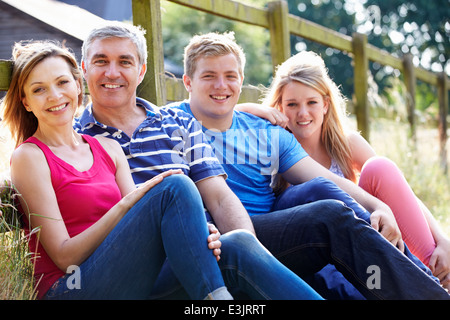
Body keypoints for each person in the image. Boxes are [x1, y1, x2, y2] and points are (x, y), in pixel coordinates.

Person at [0, 40, 323, 300]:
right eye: (39, 89)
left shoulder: (106, 149)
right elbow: (65, 258)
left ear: (77, 85)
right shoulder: (30, 156)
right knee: (173, 185)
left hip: (129, 277)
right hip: (75, 288)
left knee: (234, 244)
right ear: (26, 102)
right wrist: (125, 205)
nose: (55, 96)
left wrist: (196, 232)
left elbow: (147, 225)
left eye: (61, 83)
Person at [168, 31, 450, 299]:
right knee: (327, 218)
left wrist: (378, 206)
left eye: (230, 76)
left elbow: (324, 179)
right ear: (188, 82)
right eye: (209, 76)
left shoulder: (267, 132)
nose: (221, 85)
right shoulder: (169, 124)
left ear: (241, 80)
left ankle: (427, 287)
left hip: (275, 233)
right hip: (216, 240)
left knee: (321, 193)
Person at [238, 50, 450, 290]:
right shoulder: (275, 146)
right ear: (279, 107)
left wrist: (442, 239)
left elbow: (403, 196)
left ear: (326, 104)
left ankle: (437, 274)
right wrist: (253, 109)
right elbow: (225, 115)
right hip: (320, 253)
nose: (303, 113)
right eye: (292, 104)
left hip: (367, 238)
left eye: (312, 102)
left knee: (380, 167)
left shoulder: (345, 144)